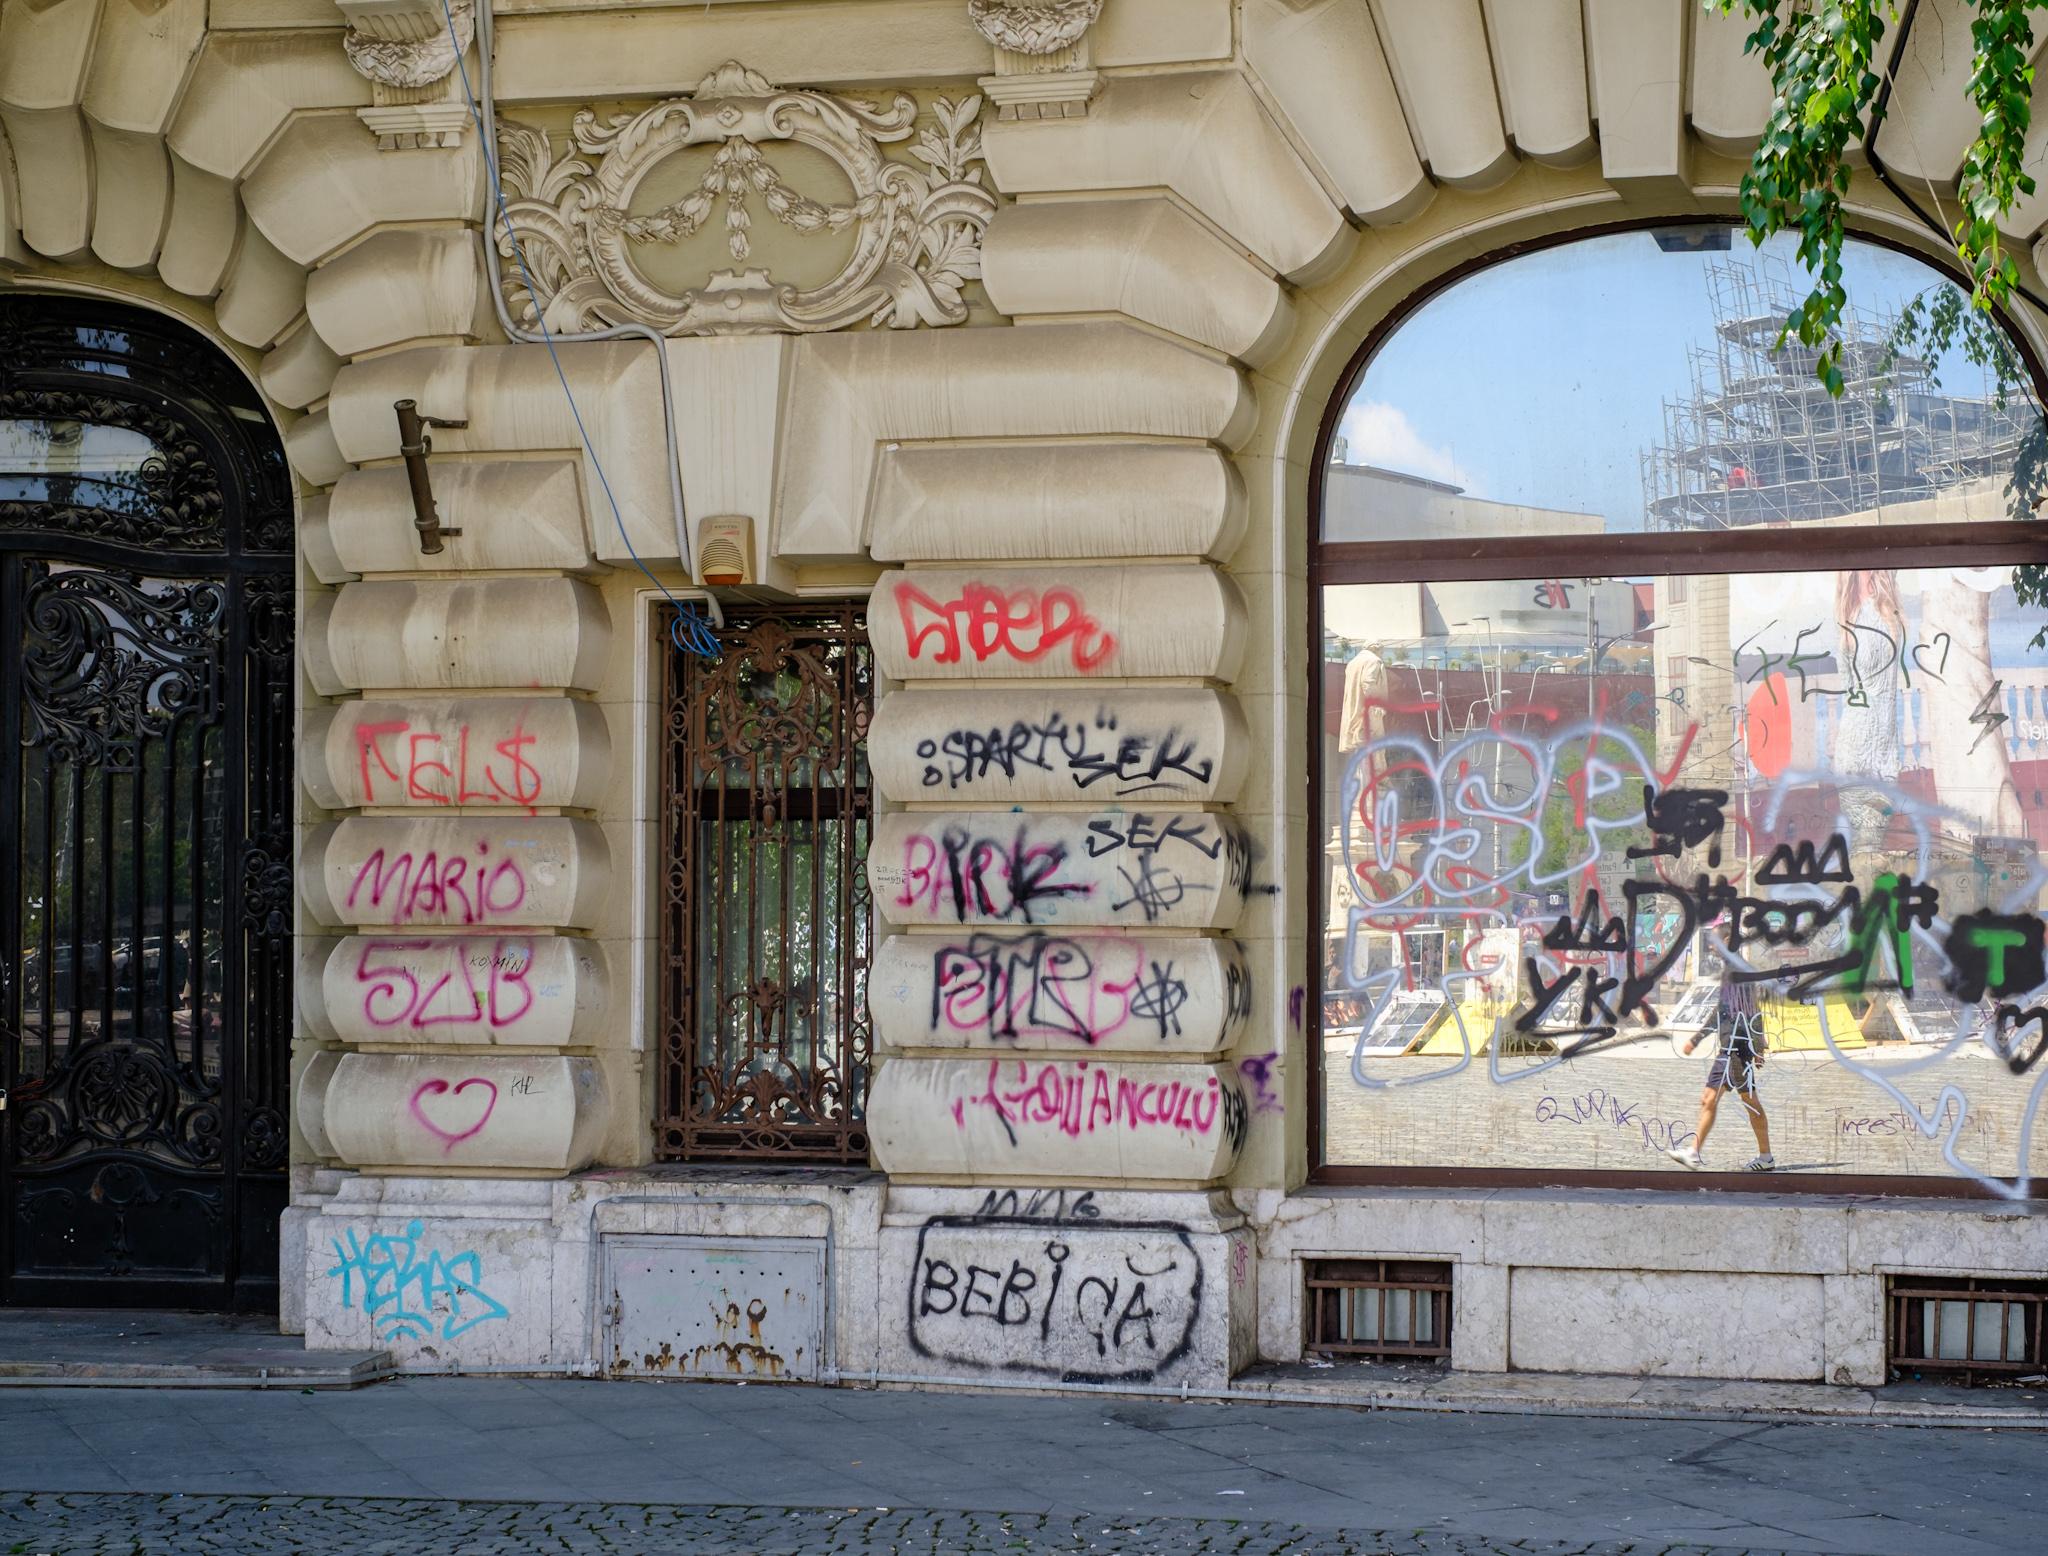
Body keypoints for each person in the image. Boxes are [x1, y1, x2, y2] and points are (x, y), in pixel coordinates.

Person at [1668, 977, 1775, 1171]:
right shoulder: (1729, 995)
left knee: (1751, 1104)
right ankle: (1693, 1152)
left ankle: (1766, 1157)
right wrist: (1696, 1040)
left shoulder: (1743, 994)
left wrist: (1758, 1050)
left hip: (1738, 1056)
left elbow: (1756, 1019)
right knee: (1709, 1099)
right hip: (1725, 1054)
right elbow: (1716, 1016)